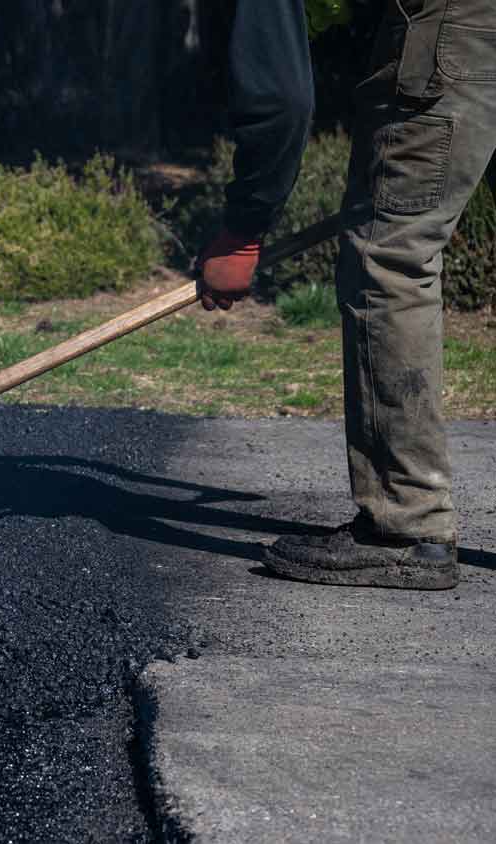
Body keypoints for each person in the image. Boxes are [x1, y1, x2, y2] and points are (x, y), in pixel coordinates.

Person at [196, 0, 496, 590]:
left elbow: (281, 99)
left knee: (389, 257)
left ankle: (405, 526)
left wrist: (242, 230)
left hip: (455, 27)